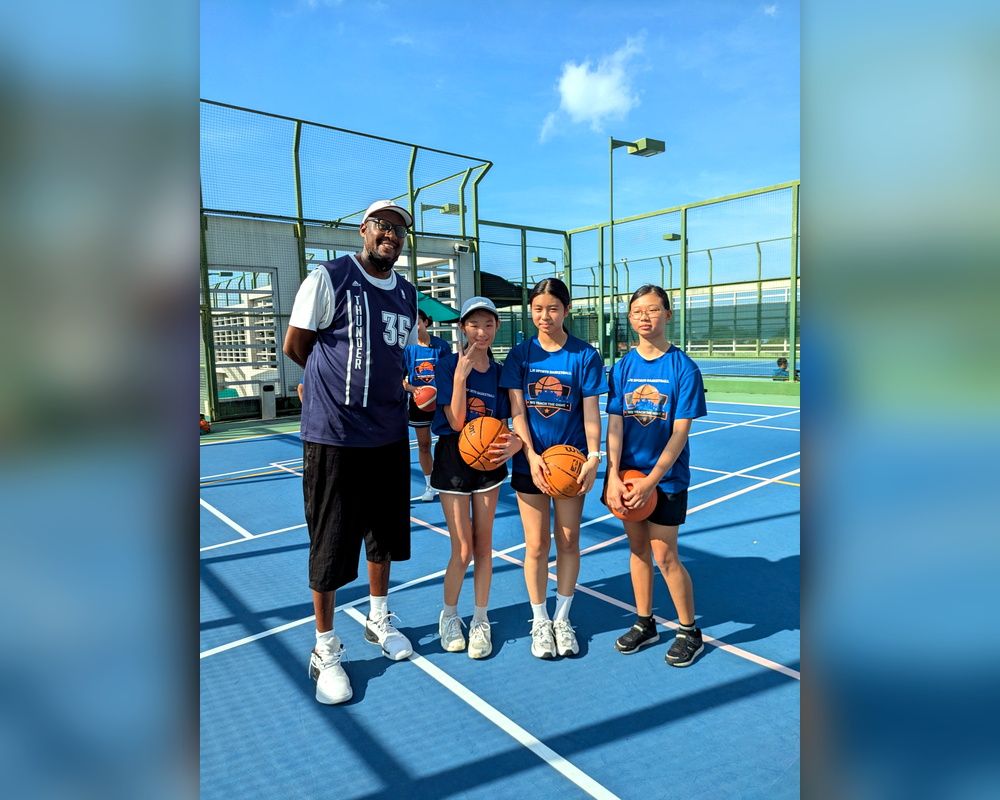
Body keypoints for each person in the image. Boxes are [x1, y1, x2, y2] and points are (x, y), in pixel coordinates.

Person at [282, 199, 420, 705]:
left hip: (388, 433)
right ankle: (324, 648)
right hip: (335, 435)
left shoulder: (407, 293)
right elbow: (296, 345)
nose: (391, 235)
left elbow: (400, 358)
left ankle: (378, 619)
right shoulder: (329, 277)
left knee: (383, 536)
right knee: (331, 541)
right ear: (364, 230)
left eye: (399, 229)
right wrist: (327, 388)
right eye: (382, 225)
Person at [604, 285, 708, 667]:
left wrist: (652, 481)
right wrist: (612, 475)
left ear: (667, 314)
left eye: (652, 310)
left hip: (665, 479)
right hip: (627, 476)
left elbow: (680, 433)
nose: (644, 317)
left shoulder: (683, 368)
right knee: (637, 549)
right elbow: (616, 424)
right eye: (637, 311)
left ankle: (689, 631)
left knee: (665, 555)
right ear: (630, 318)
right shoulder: (622, 368)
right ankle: (644, 622)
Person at [500, 278, 604, 659]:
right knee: (537, 544)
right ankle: (540, 620)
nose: (545, 316)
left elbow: (591, 412)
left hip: (570, 463)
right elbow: (517, 412)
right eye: (538, 309)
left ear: (567, 310)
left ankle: (562, 618)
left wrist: (594, 456)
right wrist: (530, 456)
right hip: (532, 462)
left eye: (553, 308)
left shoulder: (584, 356)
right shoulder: (520, 355)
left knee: (569, 541)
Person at [431, 297, 522, 659]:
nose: (481, 332)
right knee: (463, 550)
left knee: (484, 548)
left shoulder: (500, 373)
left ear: (497, 327)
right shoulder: (446, 365)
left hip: (489, 460)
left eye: (488, 324)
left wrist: (515, 442)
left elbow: (506, 422)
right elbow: (456, 422)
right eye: (474, 324)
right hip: (453, 460)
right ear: (462, 328)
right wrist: (460, 378)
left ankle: (481, 619)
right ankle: (450, 616)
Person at [403, 310, 453, 501]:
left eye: (417, 322)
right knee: (424, 445)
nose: (414, 327)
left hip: (441, 402)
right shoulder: (408, 349)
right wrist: (413, 389)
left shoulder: (441, 346)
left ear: (425, 323)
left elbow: (450, 373)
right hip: (419, 403)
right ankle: (430, 485)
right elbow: (400, 379)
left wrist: (442, 391)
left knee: (447, 443)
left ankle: (448, 479)